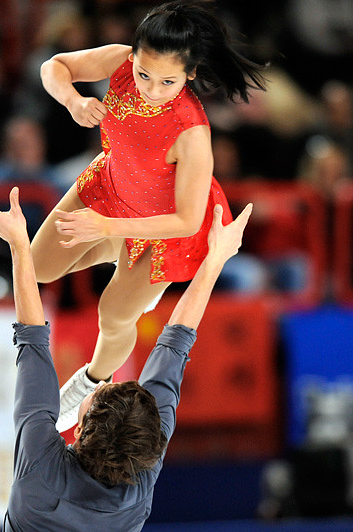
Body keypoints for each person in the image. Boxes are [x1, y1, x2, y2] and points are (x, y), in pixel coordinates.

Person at [31, 0, 266, 431]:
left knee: (113, 313)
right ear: (133, 55)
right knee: (38, 268)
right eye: (144, 74)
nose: (152, 89)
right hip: (111, 185)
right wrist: (73, 101)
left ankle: (90, 380)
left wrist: (106, 227)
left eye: (168, 81)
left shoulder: (192, 131)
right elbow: (55, 65)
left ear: (191, 75)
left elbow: (187, 221)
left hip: (164, 227)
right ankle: (118, 250)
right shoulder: (120, 60)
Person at [0, 185, 252, 532]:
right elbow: (31, 338)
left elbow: (177, 343)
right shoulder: (55, 464)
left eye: (100, 388)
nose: (107, 382)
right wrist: (16, 240)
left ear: (84, 419)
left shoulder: (127, 472)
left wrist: (216, 259)